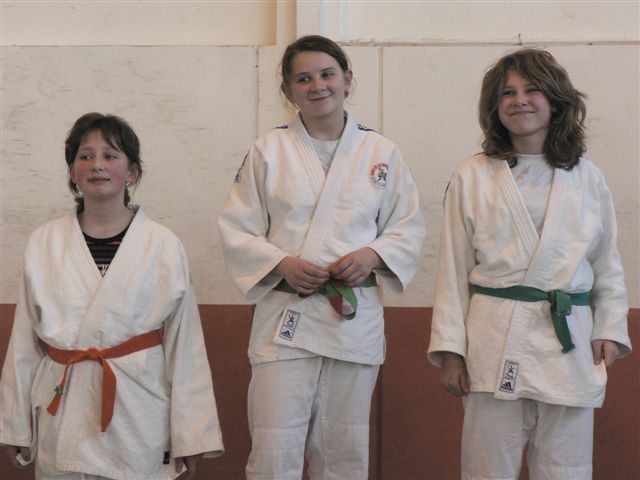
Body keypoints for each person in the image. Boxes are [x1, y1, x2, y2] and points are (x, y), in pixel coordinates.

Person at [218, 35, 424, 479]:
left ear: (347, 79)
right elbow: (237, 227)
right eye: (303, 79)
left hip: (352, 318)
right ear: (288, 90)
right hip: (286, 315)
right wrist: (281, 264)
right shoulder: (268, 150)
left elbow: (407, 226)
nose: (318, 86)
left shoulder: (381, 152)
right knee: (274, 449)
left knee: (344, 451)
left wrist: (372, 254)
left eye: (328, 74)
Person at [428, 48, 632, 479]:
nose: (519, 100)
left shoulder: (587, 177)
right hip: (495, 337)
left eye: (532, 89)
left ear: (556, 101)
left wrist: (609, 327)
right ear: (494, 106)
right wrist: (451, 351)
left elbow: (607, 261)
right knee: (487, 468)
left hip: (569, 340)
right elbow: (452, 270)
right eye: (508, 93)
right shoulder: (472, 176)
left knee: (566, 469)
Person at [0, 113, 224, 479]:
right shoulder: (44, 242)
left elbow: (186, 344)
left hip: (138, 407)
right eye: (85, 156)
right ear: (72, 172)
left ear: (132, 172)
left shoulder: (162, 244)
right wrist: (14, 424)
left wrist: (191, 433)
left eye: (110, 155)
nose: (97, 165)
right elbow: (24, 342)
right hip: (63, 407)